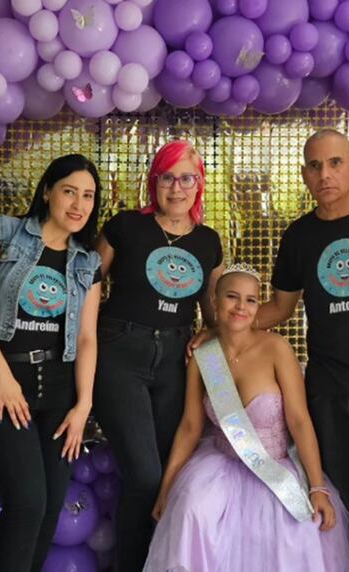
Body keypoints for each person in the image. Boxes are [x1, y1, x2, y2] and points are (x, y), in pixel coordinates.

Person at [190, 129, 349, 570]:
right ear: (304, 173)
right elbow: (280, 308)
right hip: (329, 388)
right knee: (345, 509)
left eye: (336, 163)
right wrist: (222, 328)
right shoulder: (299, 236)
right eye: (315, 165)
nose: (326, 174)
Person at [144, 265, 349, 572]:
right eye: (232, 297)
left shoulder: (276, 348)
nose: (241, 307)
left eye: (251, 300)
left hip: (276, 468)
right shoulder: (204, 357)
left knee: (295, 529)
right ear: (215, 301)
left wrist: (317, 487)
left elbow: (299, 421)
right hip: (219, 468)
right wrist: (168, 488)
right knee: (191, 509)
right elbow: (190, 427)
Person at [0, 153, 103, 572]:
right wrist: (1, 375)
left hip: (58, 390)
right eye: (69, 191)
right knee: (26, 500)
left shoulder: (86, 262)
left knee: (50, 505)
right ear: (46, 192)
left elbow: (88, 337)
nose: (78, 204)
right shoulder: (2, 232)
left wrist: (83, 406)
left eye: (88, 196)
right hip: (3, 382)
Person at [92, 140, 224, 570]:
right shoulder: (125, 227)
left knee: (171, 473)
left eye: (187, 178)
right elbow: (85, 289)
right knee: (145, 474)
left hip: (175, 361)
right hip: (120, 352)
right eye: (167, 177)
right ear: (154, 182)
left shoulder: (208, 242)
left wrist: (209, 332)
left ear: (199, 185)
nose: (177, 187)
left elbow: (216, 313)